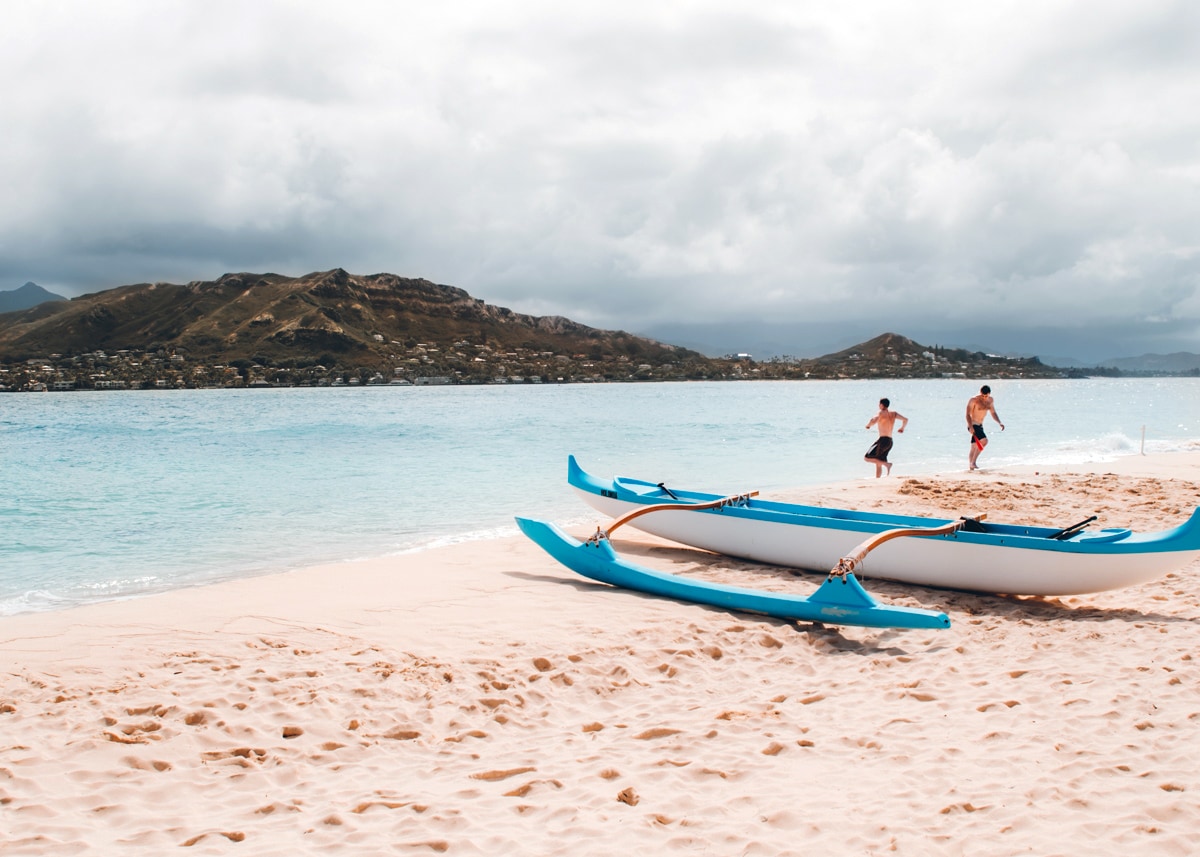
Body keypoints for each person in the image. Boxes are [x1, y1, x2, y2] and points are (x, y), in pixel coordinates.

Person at [864, 397, 907, 477]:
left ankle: (887, 465)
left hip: (883, 440)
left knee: (866, 458)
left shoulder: (880, 413)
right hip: (890, 441)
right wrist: (902, 428)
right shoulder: (893, 413)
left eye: (879, 404)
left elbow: (873, 419)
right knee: (878, 461)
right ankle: (879, 479)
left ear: (881, 405)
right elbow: (905, 419)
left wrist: (868, 425)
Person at [966, 385, 1005, 470]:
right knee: (984, 441)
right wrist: (970, 426)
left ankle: (971, 467)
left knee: (974, 446)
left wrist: (999, 422)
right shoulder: (974, 400)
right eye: (983, 396)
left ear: (989, 394)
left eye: (986, 396)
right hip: (973, 424)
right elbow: (968, 414)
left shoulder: (990, 400)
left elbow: (993, 413)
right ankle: (973, 462)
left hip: (980, 425)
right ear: (980, 393)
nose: (984, 398)